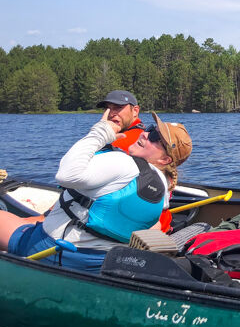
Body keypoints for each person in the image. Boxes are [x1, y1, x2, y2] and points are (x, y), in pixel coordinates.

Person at [0, 110, 192, 273]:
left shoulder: (124, 163)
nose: (144, 134)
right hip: (99, 261)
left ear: (166, 160)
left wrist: (101, 132)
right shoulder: (163, 187)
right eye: (150, 129)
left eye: (155, 138)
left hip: (51, 249)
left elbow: (66, 175)